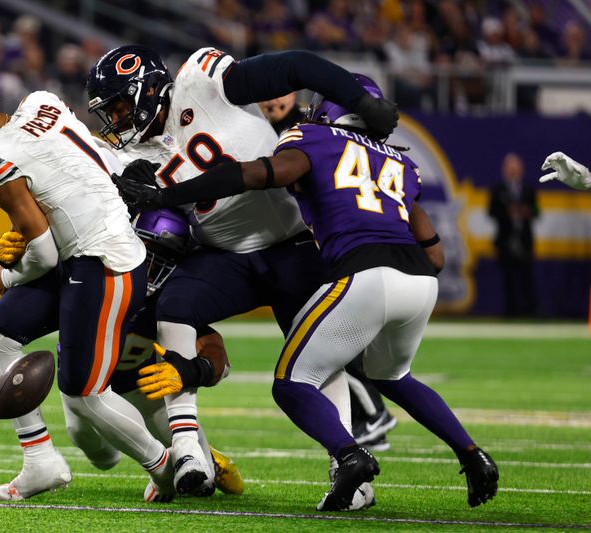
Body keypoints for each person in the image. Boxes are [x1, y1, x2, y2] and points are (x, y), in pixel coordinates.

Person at [115, 74, 499, 512]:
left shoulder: (313, 138)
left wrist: (170, 192)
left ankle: (349, 456)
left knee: (291, 384)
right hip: (419, 282)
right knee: (394, 376)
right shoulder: (400, 162)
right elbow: (434, 253)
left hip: (362, 274)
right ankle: (472, 454)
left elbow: (257, 174)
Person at [87, 44, 398, 497]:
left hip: (296, 242)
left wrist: (359, 100)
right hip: (228, 255)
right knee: (174, 307)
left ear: (147, 89)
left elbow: (295, 66)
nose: (115, 122)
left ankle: (346, 464)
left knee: (318, 357)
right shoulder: (136, 155)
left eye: (117, 108)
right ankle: (188, 445)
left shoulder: (204, 81)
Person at [0, 72, 177, 502]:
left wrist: (8, 276)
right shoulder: (42, 101)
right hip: (93, 250)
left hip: (104, 261)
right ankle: (40, 460)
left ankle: (164, 466)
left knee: (85, 396)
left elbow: (42, 253)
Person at [0, 208, 242, 502]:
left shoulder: (172, 301)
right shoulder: (91, 274)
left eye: (164, 257)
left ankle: (185, 459)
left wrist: (197, 370)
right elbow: (28, 274)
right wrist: (10, 266)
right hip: (82, 381)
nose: (153, 265)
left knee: (201, 479)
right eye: (148, 251)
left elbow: (215, 351)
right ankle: (165, 460)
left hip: (143, 391)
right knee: (98, 453)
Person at [260, 92, 399, 451]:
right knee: (332, 343)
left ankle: (373, 414)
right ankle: (369, 417)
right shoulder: (288, 130)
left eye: (278, 95)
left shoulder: (307, 134)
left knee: (320, 349)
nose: (272, 102)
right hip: (346, 252)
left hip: (323, 249)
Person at [488, 153, 539, 317]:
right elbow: (491, 211)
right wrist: (507, 213)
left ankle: (530, 311)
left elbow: (537, 211)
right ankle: (511, 312)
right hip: (505, 239)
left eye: (515, 167)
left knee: (526, 278)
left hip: (524, 239)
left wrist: (526, 211)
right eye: (510, 167)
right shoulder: (498, 189)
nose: (513, 171)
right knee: (508, 278)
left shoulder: (528, 188)